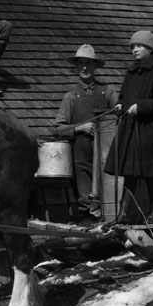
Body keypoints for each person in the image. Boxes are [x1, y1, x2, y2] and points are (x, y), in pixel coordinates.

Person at [103, 30, 153, 223]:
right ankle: (124, 214)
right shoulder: (131, 73)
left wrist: (140, 107)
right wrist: (120, 105)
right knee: (129, 173)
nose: (135, 50)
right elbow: (124, 97)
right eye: (133, 46)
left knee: (151, 174)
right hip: (130, 129)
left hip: (150, 130)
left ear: (150, 48)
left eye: (139, 46)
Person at [51, 44, 120, 223]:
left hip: (106, 154)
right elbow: (58, 128)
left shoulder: (107, 91)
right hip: (81, 156)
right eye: (80, 63)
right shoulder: (71, 97)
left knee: (109, 193)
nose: (84, 68)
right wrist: (79, 128)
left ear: (95, 67)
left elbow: (121, 112)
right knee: (85, 198)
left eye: (88, 63)